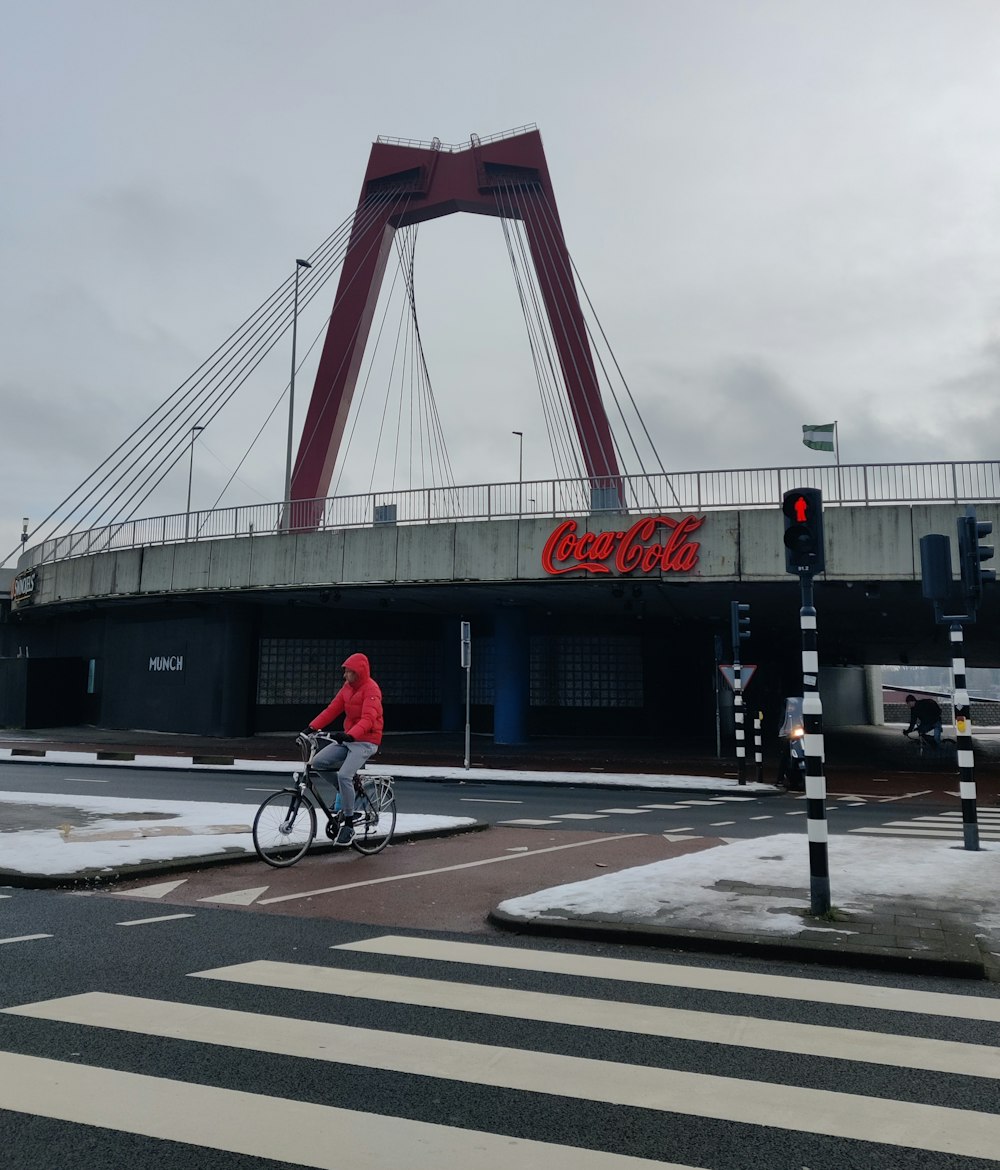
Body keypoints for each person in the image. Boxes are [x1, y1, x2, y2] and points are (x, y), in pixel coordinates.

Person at [302, 652, 383, 845]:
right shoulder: (347, 688)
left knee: (344, 775)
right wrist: (311, 727)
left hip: (366, 741)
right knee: (319, 762)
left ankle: (348, 823)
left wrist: (352, 734)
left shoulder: (371, 689)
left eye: (347, 672)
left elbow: (368, 718)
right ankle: (349, 793)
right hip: (349, 739)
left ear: (358, 672)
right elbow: (332, 709)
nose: (344, 675)